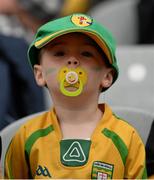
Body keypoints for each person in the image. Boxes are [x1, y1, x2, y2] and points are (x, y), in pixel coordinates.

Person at [4, 13, 147, 179]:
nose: (72, 60)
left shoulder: (126, 138)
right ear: (39, 74)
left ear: (107, 77)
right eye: (59, 53)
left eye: (86, 53)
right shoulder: (26, 137)